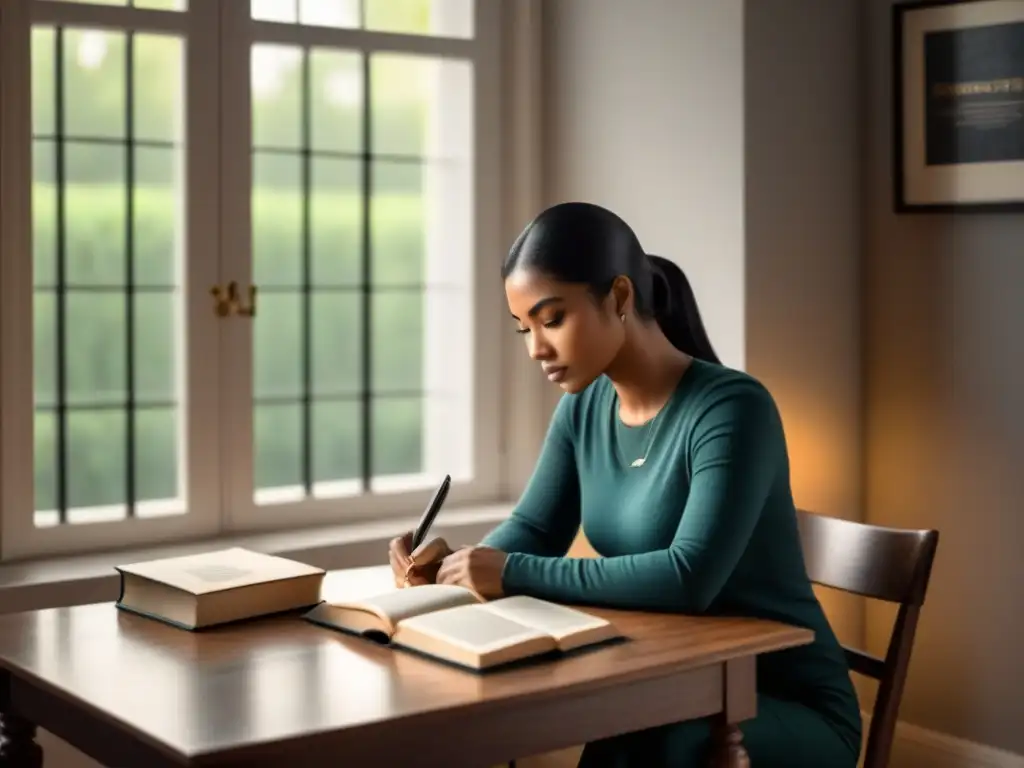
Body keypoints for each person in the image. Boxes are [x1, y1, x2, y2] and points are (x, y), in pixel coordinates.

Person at [388, 202, 862, 767]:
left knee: (650, 742)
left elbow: (689, 578)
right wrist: (461, 564)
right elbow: (538, 527)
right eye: (524, 328)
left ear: (618, 298)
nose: (536, 348)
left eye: (552, 319)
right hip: (674, 677)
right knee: (619, 727)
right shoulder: (583, 406)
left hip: (779, 700)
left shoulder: (733, 409)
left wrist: (509, 572)